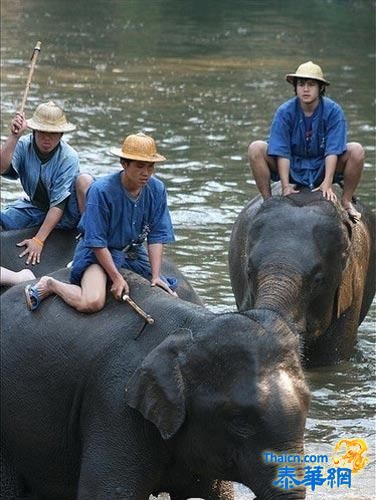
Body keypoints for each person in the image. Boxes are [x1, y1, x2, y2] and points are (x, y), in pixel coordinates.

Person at [24, 132, 177, 313]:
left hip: (132, 252)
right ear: (124, 164)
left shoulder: (157, 189)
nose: (146, 173)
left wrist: (156, 275)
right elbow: (97, 241)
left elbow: (157, 235)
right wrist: (117, 277)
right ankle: (50, 284)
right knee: (92, 302)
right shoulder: (101, 191)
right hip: (98, 253)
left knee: (169, 294)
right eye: (140, 166)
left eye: (150, 167)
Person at [248, 61, 364, 222]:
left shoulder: (333, 111)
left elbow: (333, 150)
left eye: (311, 84)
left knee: (356, 150)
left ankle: (346, 201)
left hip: (322, 166)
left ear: (320, 88)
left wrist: (327, 183)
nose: (306, 89)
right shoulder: (285, 111)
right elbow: (282, 151)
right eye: (301, 84)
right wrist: (285, 186)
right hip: (293, 166)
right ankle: (268, 202)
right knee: (256, 148)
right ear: (295, 87)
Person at [0, 101, 93, 265]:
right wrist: (14, 137)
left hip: (69, 210)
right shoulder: (23, 145)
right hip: (38, 207)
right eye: (42, 132)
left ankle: (90, 235)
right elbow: (2, 168)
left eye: (53, 133)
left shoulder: (68, 157)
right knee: (4, 219)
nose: (47, 138)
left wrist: (39, 240)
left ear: (61, 135)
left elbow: (59, 204)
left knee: (85, 181)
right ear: (34, 131)